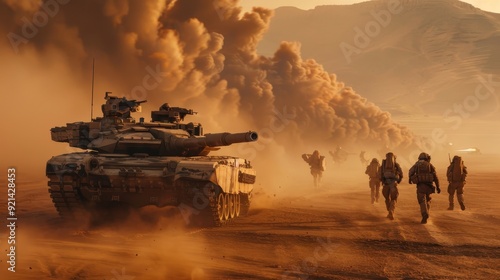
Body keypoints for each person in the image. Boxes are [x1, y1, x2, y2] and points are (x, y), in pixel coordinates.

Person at [408, 152, 441, 224]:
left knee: (422, 201)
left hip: (420, 186)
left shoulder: (417, 164)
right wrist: (438, 187)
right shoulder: (430, 165)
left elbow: (410, 172)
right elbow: (435, 177)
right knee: (428, 199)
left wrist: (410, 179)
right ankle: (426, 212)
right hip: (429, 186)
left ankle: (424, 214)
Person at [380, 152, 403, 220]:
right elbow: (401, 174)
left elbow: (380, 175)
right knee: (393, 199)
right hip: (393, 184)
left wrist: (383, 181)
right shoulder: (396, 164)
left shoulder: (383, 165)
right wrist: (398, 181)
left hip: (386, 185)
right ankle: (391, 211)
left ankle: (389, 210)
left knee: (387, 198)